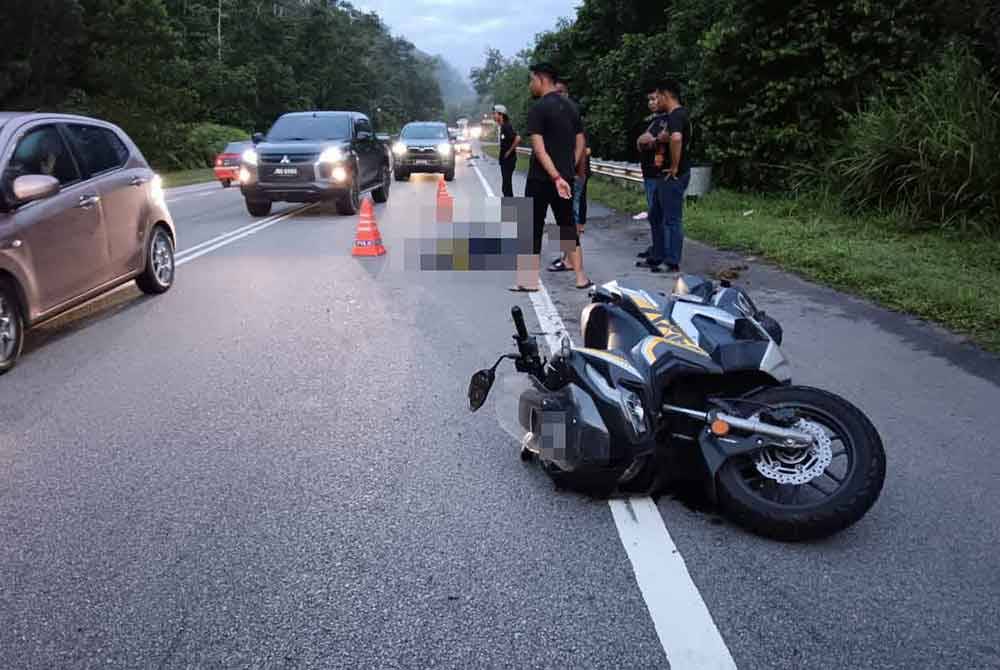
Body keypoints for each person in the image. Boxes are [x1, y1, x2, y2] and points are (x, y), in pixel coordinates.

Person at [510, 62, 591, 292]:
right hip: (564, 178)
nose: (530, 85)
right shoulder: (571, 107)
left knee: (531, 228)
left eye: (532, 80)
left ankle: (527, 281)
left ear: (542, 79)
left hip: (541, 178)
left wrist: (555, 176)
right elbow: (580, 142)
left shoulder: (538, 108)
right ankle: (580, 277)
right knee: (566, 227)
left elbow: (539, 148)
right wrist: (567, 168)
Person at [548, 78, 592, 274]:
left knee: (569, 218)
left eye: (560, 93)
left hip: (573, 175)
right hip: (566, 175)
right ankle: (567, 256)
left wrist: (577, 175)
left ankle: (569, 260)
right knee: (566, 217)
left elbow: (582, 149)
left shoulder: (571, 117)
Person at [655, 78, 692, 273]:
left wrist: (675, 166)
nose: (656, 100)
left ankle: (672, 260)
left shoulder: (675, 115)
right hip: (677, 173)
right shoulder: (682, 115)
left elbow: (677, 138)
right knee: (665, 217)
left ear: (666, 95)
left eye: (658, 96)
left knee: (672, 219)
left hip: (674, 175)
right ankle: (665, 255)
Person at [636, 91, 667, 261]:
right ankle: (567, 255)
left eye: (654, 99)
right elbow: (640, 142)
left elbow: (643, 141)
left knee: (657, 214)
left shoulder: (664, 120)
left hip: (655, 173)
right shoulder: (654, 120)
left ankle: (569, 257)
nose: (651, 103)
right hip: (649, 172)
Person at [494, 104, 520, 197]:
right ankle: (510, 208)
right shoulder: (502, 127)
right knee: (506, 186)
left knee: (506, 186)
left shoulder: (506, 126)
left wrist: (509, 151)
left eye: (495, 113)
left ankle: (512, 209)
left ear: (501, 114)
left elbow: (517, 138)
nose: (494, 115)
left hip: (509, 161)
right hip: (505, 161)